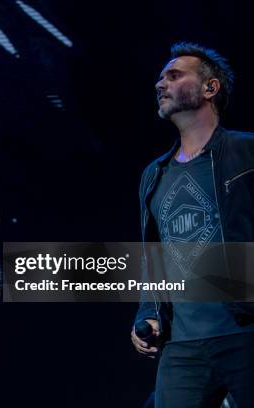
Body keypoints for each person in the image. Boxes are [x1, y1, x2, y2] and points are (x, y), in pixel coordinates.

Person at [131, 42, 254, 407]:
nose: (160, 84)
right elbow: (154, 256)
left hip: (244, 333)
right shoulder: (154, 175)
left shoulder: (246, 152)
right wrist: (148, 312)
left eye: (173, 75)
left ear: (209, 88)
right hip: (182, 345)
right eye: (159, 78)